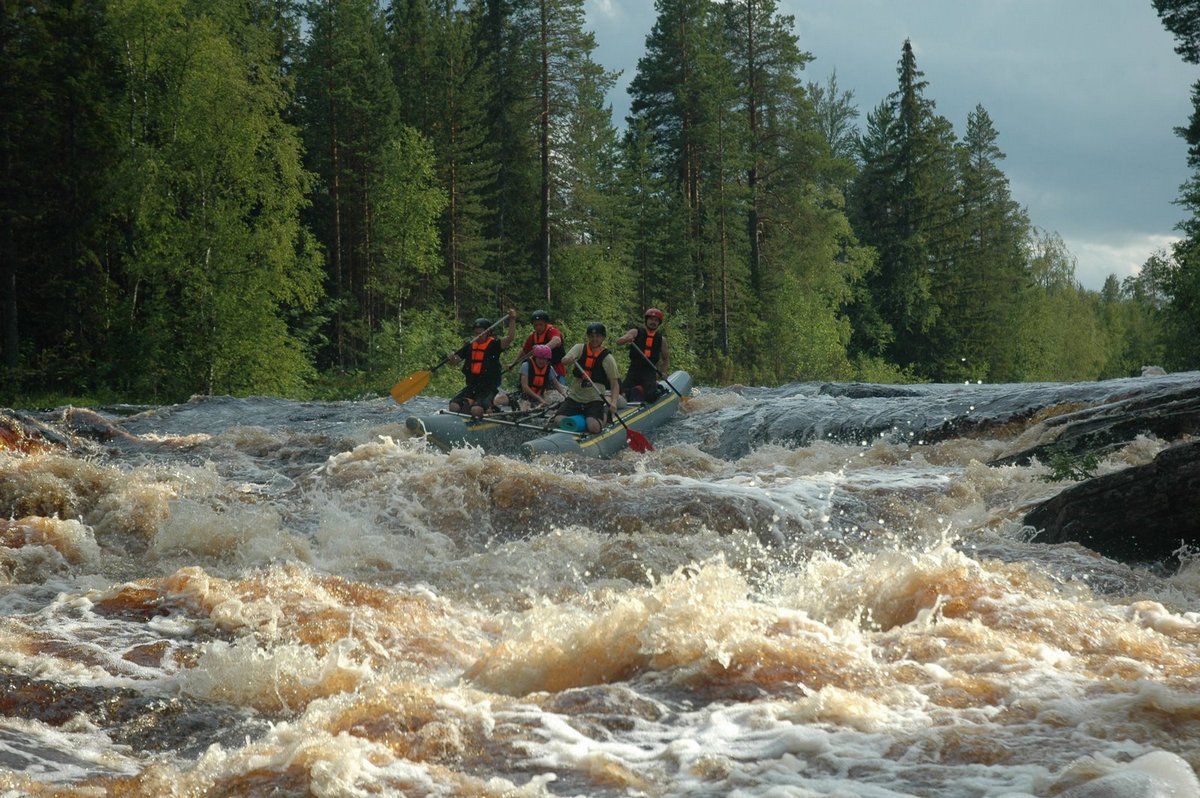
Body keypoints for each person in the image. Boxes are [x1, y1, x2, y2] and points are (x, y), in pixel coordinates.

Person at [552, 322, 621, 434]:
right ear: (588, 337)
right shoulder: (579, 348)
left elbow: (614, 383)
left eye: (598, 336)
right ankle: (579, 419)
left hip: (594, 399)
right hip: (575, 397)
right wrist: (569, 358)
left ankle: (604, 414)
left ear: (603, 337)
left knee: (593, 427)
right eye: (592, 336)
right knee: (558, 420)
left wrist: (613, 402)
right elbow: (564, 361)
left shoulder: (608, 358)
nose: (594, 339)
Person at [446, 310, 517, 417]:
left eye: (481, 333)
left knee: (476, 410)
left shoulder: (494, 345)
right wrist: (451, 358)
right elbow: (455, 361)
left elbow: (510, 338)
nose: (478, 336)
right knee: (453, 406)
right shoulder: (469, 346)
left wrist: (512, 319)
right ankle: (466, 416)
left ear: (488, 333)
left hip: (488, 388)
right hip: (472, 386)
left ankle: (492, 409)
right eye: (476, 333)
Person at [614, 307, 670, 403]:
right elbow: (618, 341)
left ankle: (657, 388)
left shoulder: (661, 339)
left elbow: (666, 359)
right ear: (646, 320)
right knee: (623, 393)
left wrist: (663, 372)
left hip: (650, 371)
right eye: (651, 319)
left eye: (656, 320)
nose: (653, 322)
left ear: (659, 323)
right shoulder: (635, 332)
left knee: (651, 396)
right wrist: (627, 339)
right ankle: (638, 391)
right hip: (634, 369)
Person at [509, 309, 566, 381]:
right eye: (536, 325)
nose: (538, 327)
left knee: (559, 390)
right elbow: (524, 352)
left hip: (557, 369)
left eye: (540, 324)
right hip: (541, 371)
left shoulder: (552, 330)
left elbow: (557, 340)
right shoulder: (532, 337)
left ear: (545, 323)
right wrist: (513, 363)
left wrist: (540, 349)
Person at [517, 344, 568, 410]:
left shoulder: (549, 368)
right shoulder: (526, 365)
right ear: (535, 357)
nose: (542, 361)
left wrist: (565, 395)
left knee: (557, 401)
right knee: (525, 406)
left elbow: (556, 384)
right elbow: (524, 387)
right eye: (539, 358)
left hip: (539, 396)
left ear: (547, 359)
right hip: (524, 396)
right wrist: (539, 398)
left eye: (544, 359)